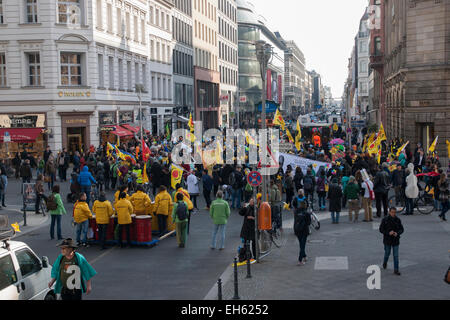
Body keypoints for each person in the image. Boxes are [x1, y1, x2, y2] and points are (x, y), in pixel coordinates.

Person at [379, 207, 404, 276]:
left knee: (396, 255)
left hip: (396, 240)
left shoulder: (398, 220)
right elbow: (381, 229)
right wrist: (388, 233)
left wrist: (397, 233)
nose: (393, 214)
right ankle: (385, 262)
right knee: (387, 253)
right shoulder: (385, 220)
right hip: (387, 240)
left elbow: (402, 229)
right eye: (392, 212)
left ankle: (396, 270)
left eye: (394, 212)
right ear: (389, 212)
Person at [293, 190, 311, 266]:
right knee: (302, 246)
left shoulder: (296, 212)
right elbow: (309, 223)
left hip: (297, 230)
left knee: (301, 244)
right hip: (304, 230)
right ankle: (300, 260)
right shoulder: (307, 213)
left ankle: (305, 256)